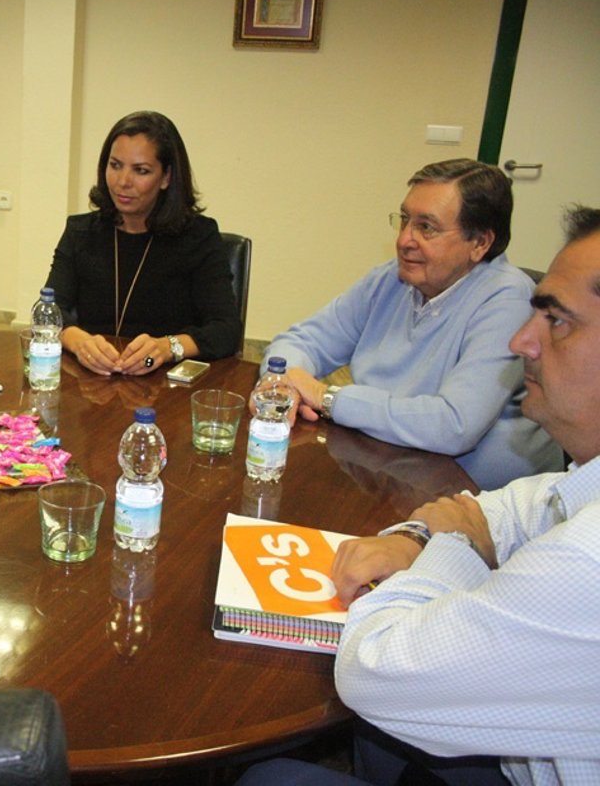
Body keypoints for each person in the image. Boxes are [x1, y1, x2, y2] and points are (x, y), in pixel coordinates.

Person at [238, 205, 600, 785]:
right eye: (404, 220)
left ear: (480, 243)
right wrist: (417, 535)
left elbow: (371, 673)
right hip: (392, 478)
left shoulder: (585, 560)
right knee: (383, 737)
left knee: (270, 778)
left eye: (557, 320)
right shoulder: (583, 483)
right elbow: (516, 507)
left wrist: (453, 545)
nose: (522, 341)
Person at [261, 158, 560, 490]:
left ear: (480, 243)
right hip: (384, 468)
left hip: (474, 498)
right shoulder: (392, 278)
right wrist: (282, 384)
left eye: (426, 227)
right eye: (405, 220)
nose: (404, 240)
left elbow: (454, 425)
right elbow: (302, 341)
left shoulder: (509, 299)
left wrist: (326, 397)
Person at [43, 110, 241, 377]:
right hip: (93, 379)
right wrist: (80, 343)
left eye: (141, 171)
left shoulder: (198, 237)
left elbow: (226, 330)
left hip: (164, 383)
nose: (123, 182)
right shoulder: (80, 232)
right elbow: (49, 310)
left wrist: (167, 348)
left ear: (166, 177)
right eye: (115, 165)